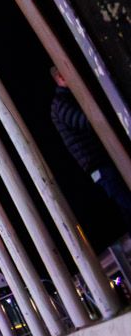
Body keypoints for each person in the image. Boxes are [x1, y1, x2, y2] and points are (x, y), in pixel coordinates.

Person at [50, 68, 131, 227]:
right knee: (126, 200)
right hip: (98, 164)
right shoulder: (61, 104)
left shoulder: (65, 101)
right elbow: (84, 121)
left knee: (125, 204)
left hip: (100, 164)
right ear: (59, 77)